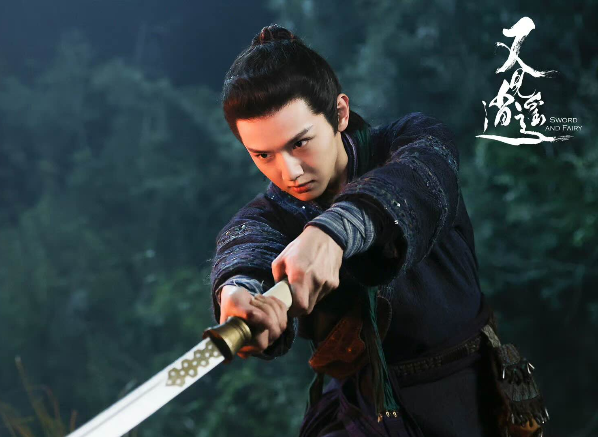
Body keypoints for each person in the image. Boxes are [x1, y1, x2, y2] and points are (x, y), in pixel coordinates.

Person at [208, 24, 547, 436]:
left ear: (340, 113)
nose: (289, 171)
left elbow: (415, 180)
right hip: (364, 413)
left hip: (470, 396)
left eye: (300, 143)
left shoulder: (413, 142)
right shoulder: (268, 216)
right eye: (263, 155)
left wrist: (332, 233)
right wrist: (239, 293)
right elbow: (244, 248)